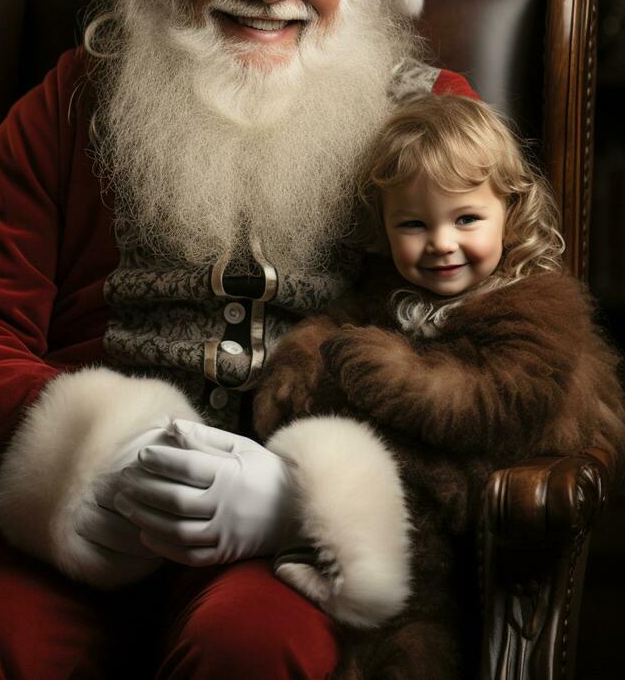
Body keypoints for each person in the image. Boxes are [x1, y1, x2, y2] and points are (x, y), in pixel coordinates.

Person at [0, 0, 478, 679]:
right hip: (86, 519)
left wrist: (307, 501)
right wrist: (93, 455)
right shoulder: (76, 99)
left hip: (290, 546)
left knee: (255, 648)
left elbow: (496, 364)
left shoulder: (430, 119)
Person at [253, 94, 625, 678]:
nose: (442, 243)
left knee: (410, 556)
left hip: (492, 475)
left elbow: (494, 404)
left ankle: (387, 629)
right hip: (420, 466)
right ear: (383, 229)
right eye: (413, 224)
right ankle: (341, 580)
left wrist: (388, 371)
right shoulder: (388, 290)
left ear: (511, 210)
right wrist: (297, 368)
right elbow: (331, 329)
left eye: (466, 219)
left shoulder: (537, 303)